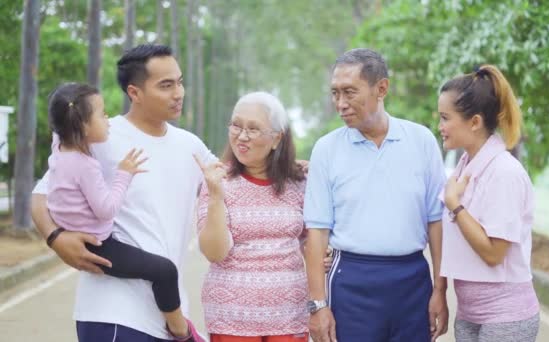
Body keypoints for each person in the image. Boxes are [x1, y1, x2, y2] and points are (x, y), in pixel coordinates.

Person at [31, 44, 213, 342]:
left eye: (180, 82)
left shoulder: (190, 145)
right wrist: (56, 238)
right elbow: (41, 195)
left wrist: (289, 165)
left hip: (169, 318)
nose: (178, 93)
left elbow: (232, 176)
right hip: (113, 315)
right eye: (166, 86)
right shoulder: (99, 136)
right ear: (135, 92)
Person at [304, 48, 449, 342]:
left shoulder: (421, 141)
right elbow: (316, 234)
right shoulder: (326, 149)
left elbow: (437, 223)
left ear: (381, 88)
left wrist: (440, 291)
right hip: (351, 283)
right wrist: (317, 306)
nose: (340, 103)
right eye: (335, 93)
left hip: (412, 281)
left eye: (349, 92)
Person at [195, 91, 309, 342]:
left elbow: (310, 241)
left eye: (254, 129)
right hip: (232, 318)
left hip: (289, 315)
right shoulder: (217, 179)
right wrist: (215, 195)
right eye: (236, 125)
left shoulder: (300, 182)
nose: (242, 136)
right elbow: (214, 252)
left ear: (277, 138)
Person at [437, 65, 540, 342]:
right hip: (470, 314)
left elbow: (494, 253)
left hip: (506, 318)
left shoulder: (504, 172)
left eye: (446, 118)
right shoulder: (465, 165)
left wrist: (455, 205)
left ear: (474, 122)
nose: (440, 127)